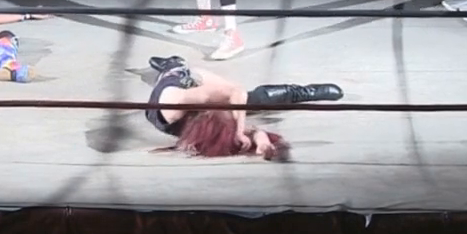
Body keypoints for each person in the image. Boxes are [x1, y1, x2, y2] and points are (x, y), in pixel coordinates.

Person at [145, 55, 344, 159]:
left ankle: (303, 92)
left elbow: (236, 91)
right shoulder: (177, 111)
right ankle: (172, 63)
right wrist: (262, 142)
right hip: (174, 97)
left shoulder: (186, 98)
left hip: (185, 79)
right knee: (249, 101)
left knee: (249, 98)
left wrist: (240, 130)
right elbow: (252, 131)